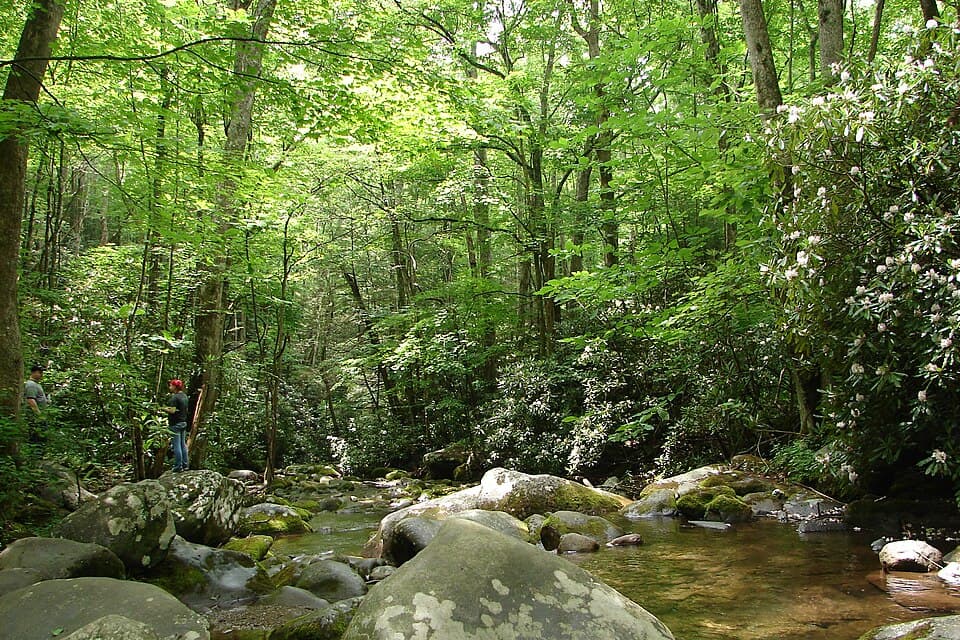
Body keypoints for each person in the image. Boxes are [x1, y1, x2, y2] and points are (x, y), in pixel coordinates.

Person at [162, 379, 189, 472]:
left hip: (175, 424)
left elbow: (172, 410)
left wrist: (164, 409)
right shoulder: (184, 396)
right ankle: (185, 465)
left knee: (176, 446)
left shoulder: (175, 398)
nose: (170, 387)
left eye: (171, 385)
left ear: (175, 387)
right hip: (183, 422)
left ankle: (178, 466)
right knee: (183, 445)